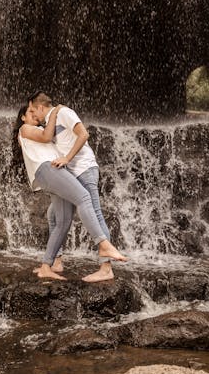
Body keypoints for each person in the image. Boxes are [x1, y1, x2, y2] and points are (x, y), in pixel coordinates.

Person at [15, 101, 127, 281]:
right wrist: (55, 111)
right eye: (30, 111)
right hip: (49, 169)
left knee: (62, 219)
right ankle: (104, 245)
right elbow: (46, 136)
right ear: (22, 117)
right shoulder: (25, 129)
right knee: (83, 198)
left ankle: (48, 265)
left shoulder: (42, 129)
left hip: (60, 170)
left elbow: (59, 137)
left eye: (36, 110)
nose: (35, 114)